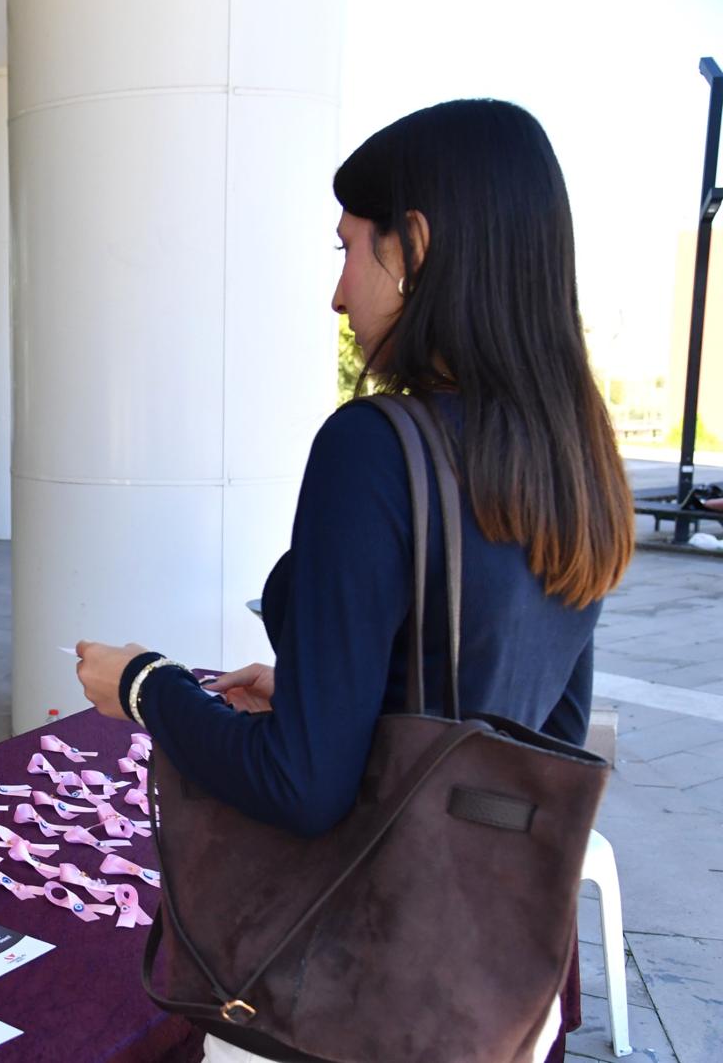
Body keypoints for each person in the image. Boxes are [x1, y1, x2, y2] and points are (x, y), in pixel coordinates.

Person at [75, 100, 634, 1063]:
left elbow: (301, 787)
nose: (339, 294)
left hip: (345, 994)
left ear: (412, 246)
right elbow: (531, 734)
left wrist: (141, 686)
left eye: (348, 248)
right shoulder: (575, 461)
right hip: (495, 992)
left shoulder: (376, 447)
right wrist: (319, 696)